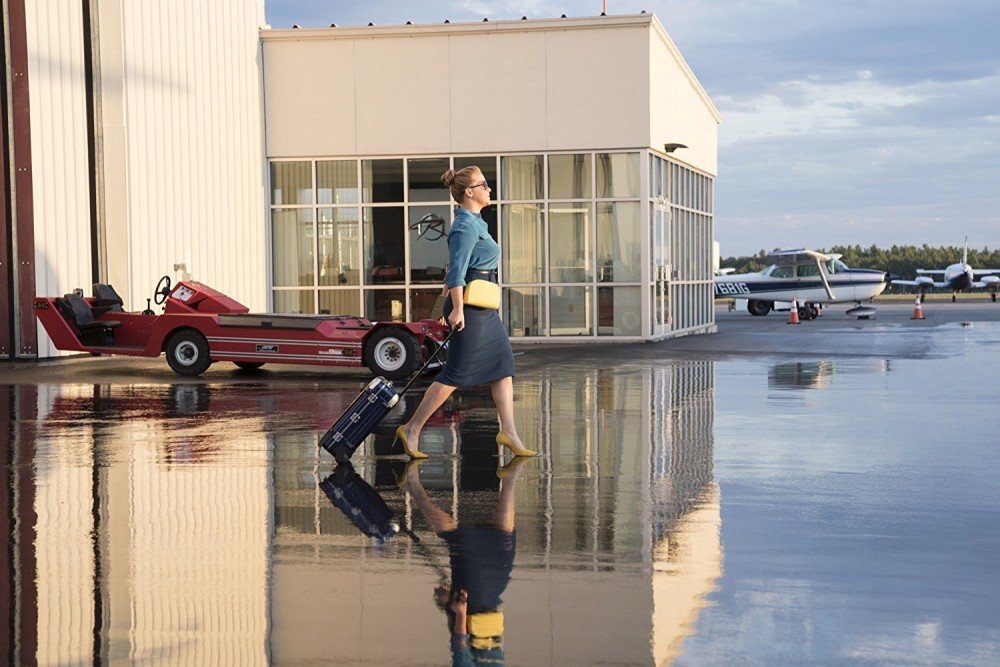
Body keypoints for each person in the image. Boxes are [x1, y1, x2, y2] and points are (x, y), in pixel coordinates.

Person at [393, 166, 535, 459]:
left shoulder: (477, 223)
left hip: (482, 306)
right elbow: (456, 271)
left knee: (503, 365)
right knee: (456, 372)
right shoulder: (464, 226)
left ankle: (509, 433)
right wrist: (455, 309)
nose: (489, 189)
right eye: (484, 185)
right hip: (468, 307)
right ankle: (413, 428)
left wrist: (442, 308)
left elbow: (460, 270)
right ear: (470, 192)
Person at [397, 457, 530, 665]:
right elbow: (459, 645)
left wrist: (455, 611)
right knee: (455, 535)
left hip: (491, 594)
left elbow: (468, 649)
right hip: (474, 598)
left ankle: (510, 480)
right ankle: (414, 486)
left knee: (502, 538)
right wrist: (458, 613)